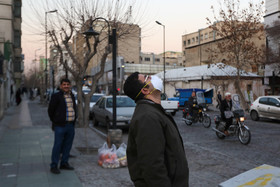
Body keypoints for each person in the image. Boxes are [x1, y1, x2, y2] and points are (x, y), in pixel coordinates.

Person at [123, 72, 189, 186]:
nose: (152, 77)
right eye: (147, 78)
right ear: (145, 90)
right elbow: (152, 166)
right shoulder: (147, 117)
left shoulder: (153, 111)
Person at [48, 78, 77, 174]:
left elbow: (73, 108)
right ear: (61, 86)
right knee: (57, 145)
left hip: (70, 125)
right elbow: (50, 111)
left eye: (68, 84)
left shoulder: (72, 95)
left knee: (68, 145)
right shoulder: (56, 96)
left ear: (70, 86)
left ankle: (64, 163)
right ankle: (54, 165)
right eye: (64, 84)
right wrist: (55, 121)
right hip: (60, 126)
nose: (66, 86)